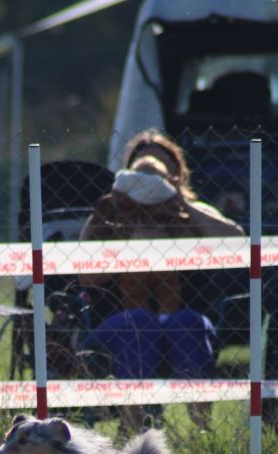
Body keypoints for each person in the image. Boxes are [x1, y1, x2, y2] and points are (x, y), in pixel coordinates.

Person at [79, 129, 244, 430]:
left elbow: (236, 241)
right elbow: (85, 275)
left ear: (176, 177)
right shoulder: (111, 214)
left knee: (188, 322)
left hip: (180, 321)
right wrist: (111, 212)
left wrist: (180, 204)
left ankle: (201, 426)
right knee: (139, 321)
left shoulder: (189, 214)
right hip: (121, 325)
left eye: (158, 178)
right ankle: (134, 424)